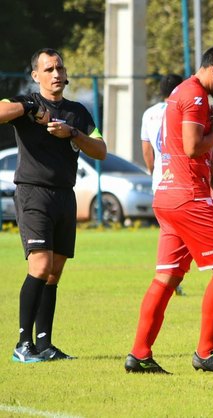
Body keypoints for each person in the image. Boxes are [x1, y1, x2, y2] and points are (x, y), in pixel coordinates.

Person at [124, 43, 213, 375]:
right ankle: (207, 352)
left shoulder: (185, 94)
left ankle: (139, 353)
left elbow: (205, 158)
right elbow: (195, 148)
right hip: (188, 197)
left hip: (167, 195)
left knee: (167, 276)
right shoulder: (194, 96)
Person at [0, 48, 107, 363]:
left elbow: (100, 149)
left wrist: (70, 131)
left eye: (59, 67)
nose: (56, 73)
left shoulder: (78, 112)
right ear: (36, 76)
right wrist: (28, 106)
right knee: (41, 266)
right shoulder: (27, 105)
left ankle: (44, 344)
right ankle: (23, 344)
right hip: (34, 193)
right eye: (48, 69)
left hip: (65, 195)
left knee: (54, 273)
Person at [140, 73, 184, 296]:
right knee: (182, 233)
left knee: (168, 230)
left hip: (160, 181)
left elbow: (147, 148)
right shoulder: (182, 109)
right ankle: (172, 275)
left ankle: (170, 275)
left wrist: (153, 172)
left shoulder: (149, 114)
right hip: (182, 182)